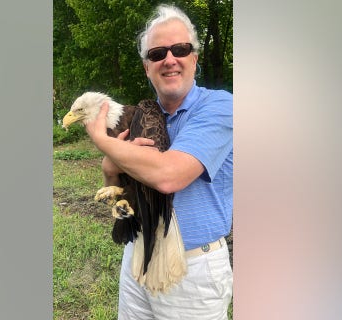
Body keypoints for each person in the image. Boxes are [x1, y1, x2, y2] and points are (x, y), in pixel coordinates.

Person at [84, 4, 233, 319]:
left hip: (192, 271)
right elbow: (120, 206)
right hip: (138, 251)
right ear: (146, 67)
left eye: (180, 49)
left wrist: (102, 141)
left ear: (194, 58)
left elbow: (169, 177)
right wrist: (110, 170)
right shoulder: (139, 116)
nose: (169, 59)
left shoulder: (221, 107)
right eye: (157, 54)